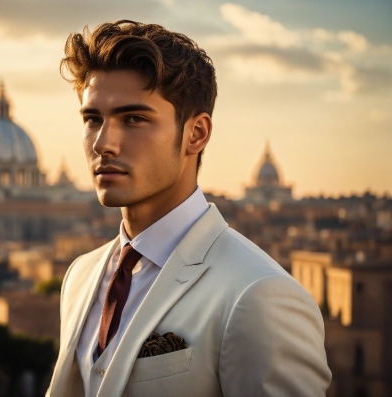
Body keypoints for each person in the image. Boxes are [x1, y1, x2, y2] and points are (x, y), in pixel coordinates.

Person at [47, 20, 331, 397]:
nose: (103, 143)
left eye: (134, 119)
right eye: (93, 119)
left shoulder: (259, 295)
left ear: (195, 134)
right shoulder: (81, 276)